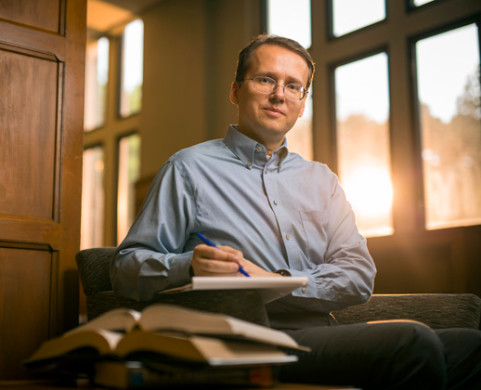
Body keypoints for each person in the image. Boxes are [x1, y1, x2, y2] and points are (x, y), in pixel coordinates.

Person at [110, 34, 481, 389]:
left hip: (325, 334)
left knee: (472, 344)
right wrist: (188, 264)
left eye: (292, 86)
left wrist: (273, 280)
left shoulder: (322, 180)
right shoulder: (187, 168)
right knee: (411, 342)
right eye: (265, 79)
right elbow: (125, 267)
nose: (278, 95)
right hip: (249, 341)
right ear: (236, 91)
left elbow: (358, 275)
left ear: (302, 104)